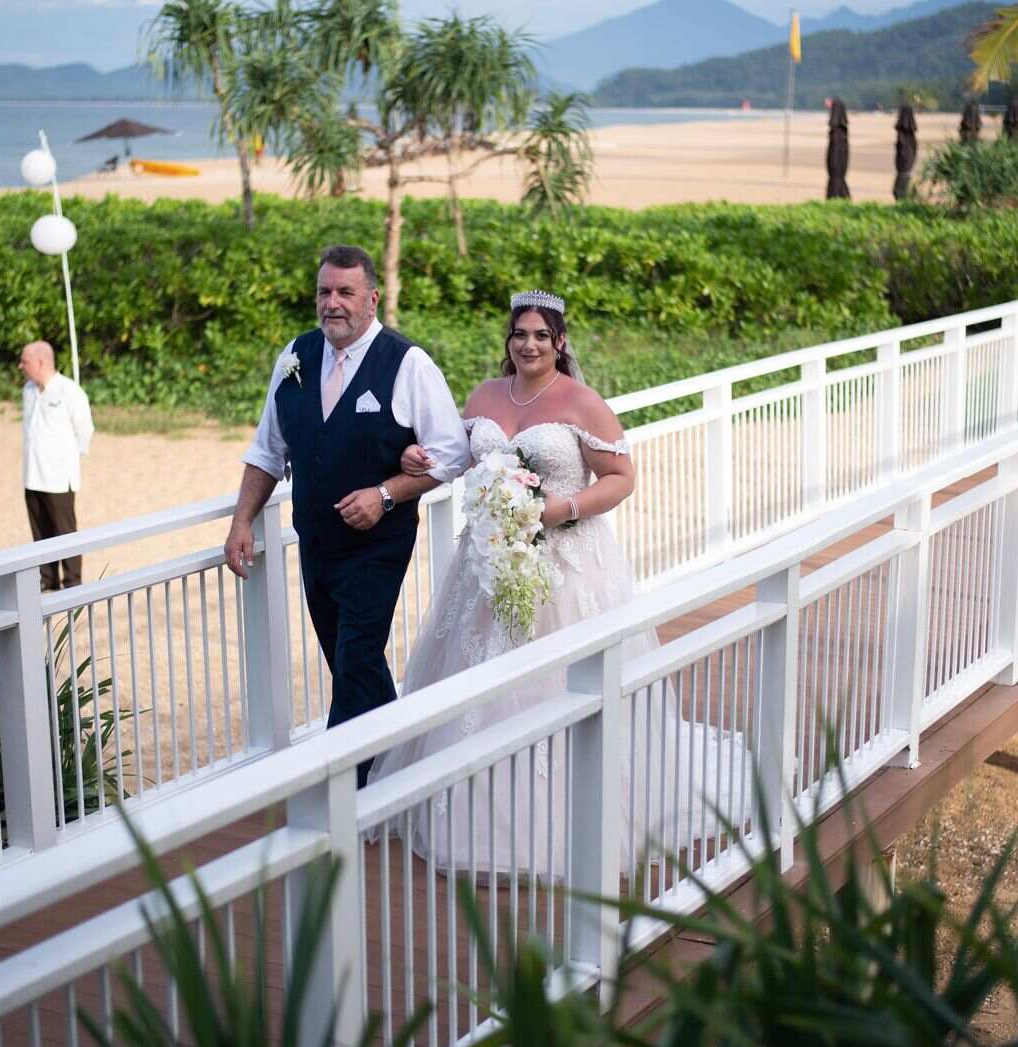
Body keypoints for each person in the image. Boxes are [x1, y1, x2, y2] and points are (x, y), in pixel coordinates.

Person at [367, 290, 745, 876]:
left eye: (541, 335)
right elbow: (457, 457)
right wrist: (418, 458)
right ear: (509, 340)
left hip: (565, 565)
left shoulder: (581, 401)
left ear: (560, 342)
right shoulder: (485, 396)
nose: (529, 345)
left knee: (559, 680)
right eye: (520, 334)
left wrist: (559, 509)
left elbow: (620, 477)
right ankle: (470, 810)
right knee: (479, 686)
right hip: (487, 564)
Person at [223, 245, 470, 786]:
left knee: (355, 656)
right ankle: (397, 768)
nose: (332, 303)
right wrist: (241, 521)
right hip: (315, 544)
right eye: (324, 292)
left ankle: (338, 791)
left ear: (372, 298)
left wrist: (386, 493)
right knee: (354, 665)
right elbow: (267, 450)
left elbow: (453, 453)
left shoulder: (407, 363)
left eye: (345, 292)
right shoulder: (295, 355)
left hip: (378, 546)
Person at [19, 340, 94, 591]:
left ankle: (72, 583)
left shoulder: (70, 391)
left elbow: (85, 430)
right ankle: (47, 578)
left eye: (25, 362)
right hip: (32, 475)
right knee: (40, 532)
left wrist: (68, 459)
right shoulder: (28, 390)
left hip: (59, 478)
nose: (20, 366)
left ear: (41, 362)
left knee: (65, 532)